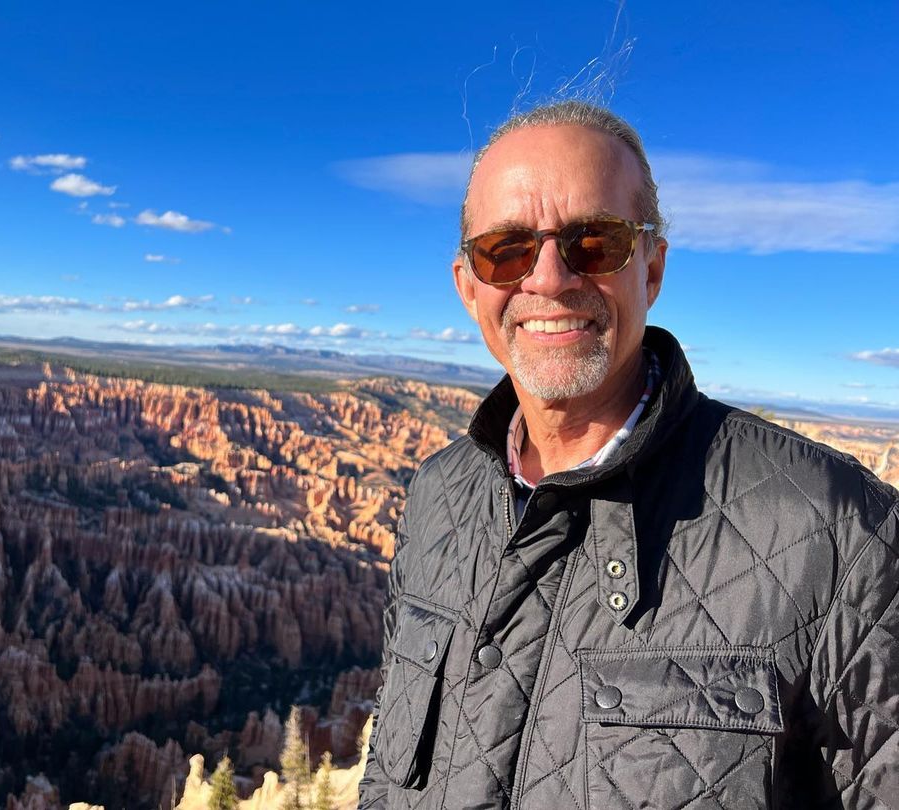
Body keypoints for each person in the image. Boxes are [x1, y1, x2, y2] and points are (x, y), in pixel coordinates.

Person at [358, 100, 899, 809]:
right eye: (507, 248)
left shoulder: (837, 531)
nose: (547, 279)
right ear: (468, 285)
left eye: (595, 241)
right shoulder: (437, 495)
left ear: (651, 269)